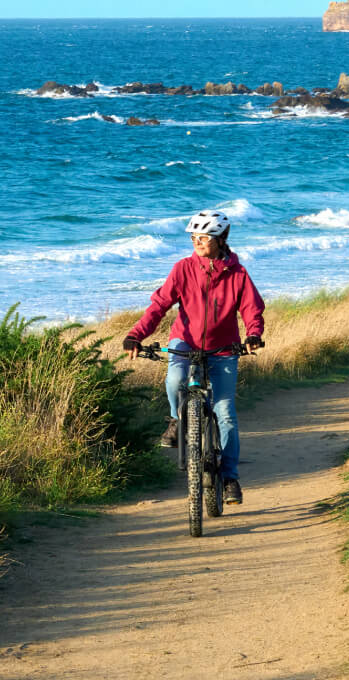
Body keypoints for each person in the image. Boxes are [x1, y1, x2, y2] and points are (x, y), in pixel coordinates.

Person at [123, 208, 265, 504]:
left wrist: (253, 334)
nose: (197, 242)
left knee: (225, 413)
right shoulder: (182, 269)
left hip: (224, 348)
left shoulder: (237, 273)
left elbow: (252, 307)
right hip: (184, 342)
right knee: (175, 378)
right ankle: (176, 419)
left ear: (221, 238)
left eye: (203, 237)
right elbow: (159, 306)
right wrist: (136, 335)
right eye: (193, 237)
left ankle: (230, 479)